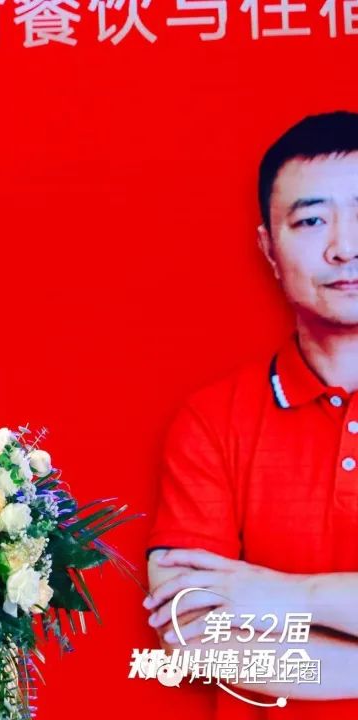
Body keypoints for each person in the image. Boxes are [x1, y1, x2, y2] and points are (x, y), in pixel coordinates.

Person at [145, 112, 358, 716]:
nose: (345, 247)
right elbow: (191, 632)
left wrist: (282, 596)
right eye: (311, 220)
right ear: (269, 247)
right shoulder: (213, 420)